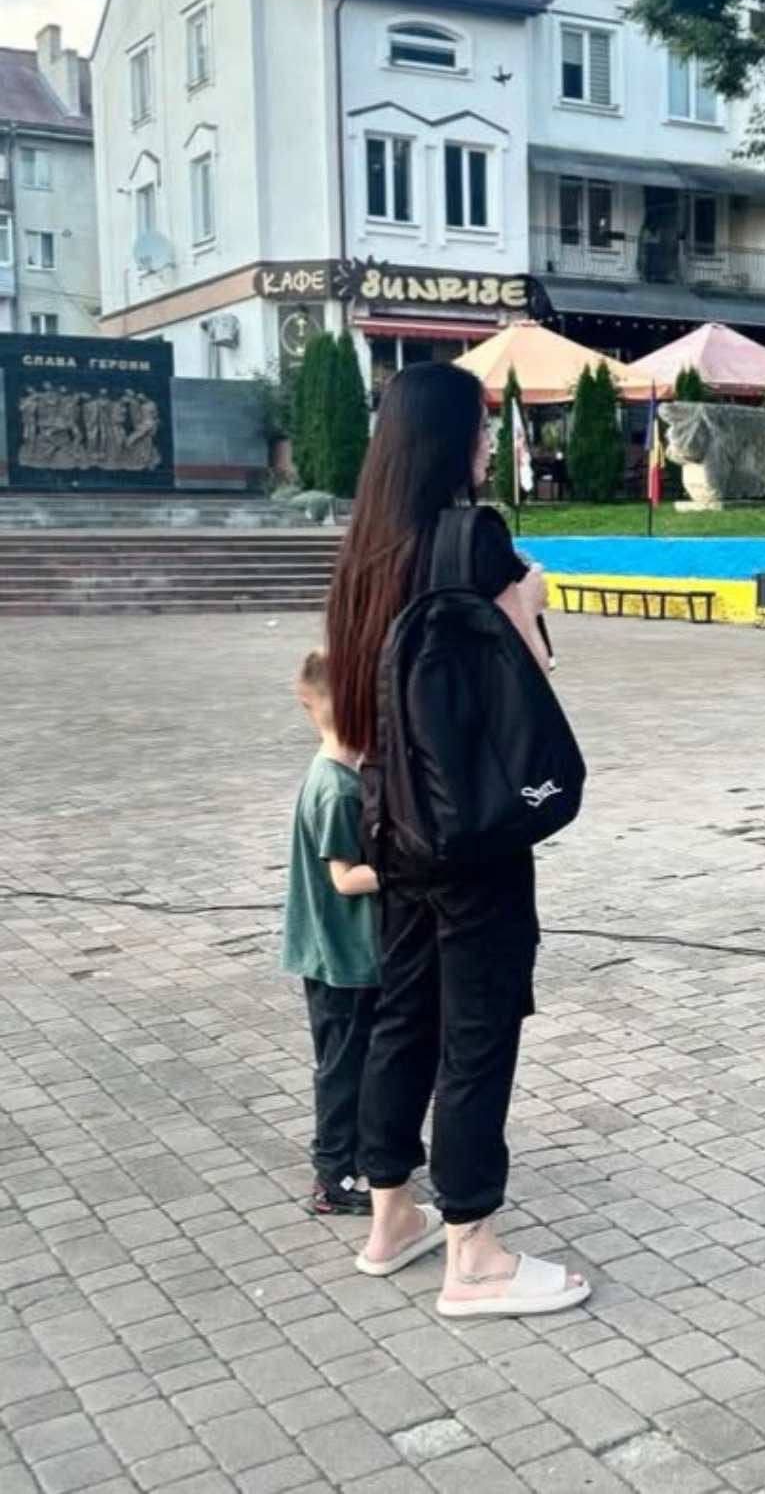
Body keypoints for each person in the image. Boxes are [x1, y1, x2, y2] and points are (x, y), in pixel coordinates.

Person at [323, 362, 585, 1318]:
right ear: (450, 440)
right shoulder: (475, 538)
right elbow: (524, 690)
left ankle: (390, 1216)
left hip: (390, 826)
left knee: (404, 1016)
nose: (487, 445)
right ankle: (474, 1251)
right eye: (481, 427)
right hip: (472, 832)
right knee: (478, 1031)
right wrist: (528, 609)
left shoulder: (362, 553)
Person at [281, 648, 381, 1217]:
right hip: (341, 957)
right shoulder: (338, 790)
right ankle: (333, 1175)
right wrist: (410, 868)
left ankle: (362, 1153)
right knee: (344, 1066)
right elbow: (346, 880)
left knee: (355, 1059)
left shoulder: (337, 774)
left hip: (337, 951)